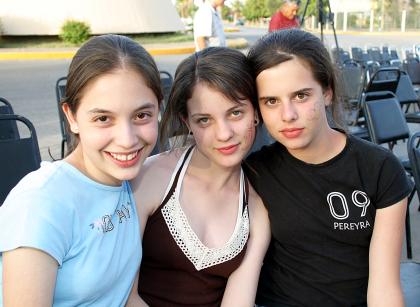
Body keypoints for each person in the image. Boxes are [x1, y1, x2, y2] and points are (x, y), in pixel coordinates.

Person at [245, 28, 412, 307]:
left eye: (300, 96)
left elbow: (384, 287)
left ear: (327, 92)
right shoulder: (255, 172)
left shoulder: (380, 169)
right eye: (271, 101)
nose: (288, 115)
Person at [0, 34, 163, 306]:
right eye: (103, 118)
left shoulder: (127, 183)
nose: (127, 139)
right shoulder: (41, 203)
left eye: (141, 115)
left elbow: (127, 297)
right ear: (72, 117)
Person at [126, 47, 271, 306]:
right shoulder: (151, 178)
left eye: (236, 112)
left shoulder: (257, 209)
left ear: (256, 113)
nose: (224, 133)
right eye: (204, 120)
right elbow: (123, 293)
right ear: (187, 122)